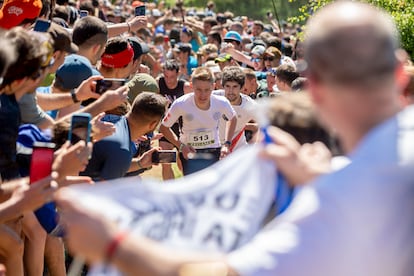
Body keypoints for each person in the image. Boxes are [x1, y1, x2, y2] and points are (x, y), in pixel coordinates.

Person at [55, 2, 414, 276]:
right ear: (400, 71)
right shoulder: (357, 176)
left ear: (314, 89)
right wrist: (320, 176)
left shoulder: (343, 195)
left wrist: (115, 244)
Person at [160, 67, 237, 175]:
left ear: (213, 87)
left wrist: (227, 143)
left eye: (207, 90)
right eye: (198, 90)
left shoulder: (221, 102)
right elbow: (163, 127)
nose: (203, 95)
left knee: (212, 185)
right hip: (189, 150)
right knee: (192, 186)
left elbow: (233, 118)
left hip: (213, 148)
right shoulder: (181, 103)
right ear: (191, 86)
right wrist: (181, 146)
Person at [81, 92, 167, 180]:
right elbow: (103, 190)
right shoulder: (122, 147)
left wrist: (140, 163)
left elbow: (114, 164)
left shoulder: (114, 122)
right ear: (153, 124)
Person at [157, 59, 191, 180]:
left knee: (183, 163)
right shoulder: (158, 84)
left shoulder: (186, 87)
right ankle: (168, 191)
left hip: (183, 128)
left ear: (178, 74)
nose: (169, 80)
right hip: (166, 127)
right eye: (166, 76)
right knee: (165, 163)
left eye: (172, 77)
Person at [213, 66, 257, 151]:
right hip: (214, 149)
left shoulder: (249, 105)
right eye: (228, 86)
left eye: (235, 87)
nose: (230, 91)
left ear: (242, 87)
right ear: (223, 86)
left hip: (238, 151)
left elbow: (268, 123)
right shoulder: (213, 98)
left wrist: (255, 144)